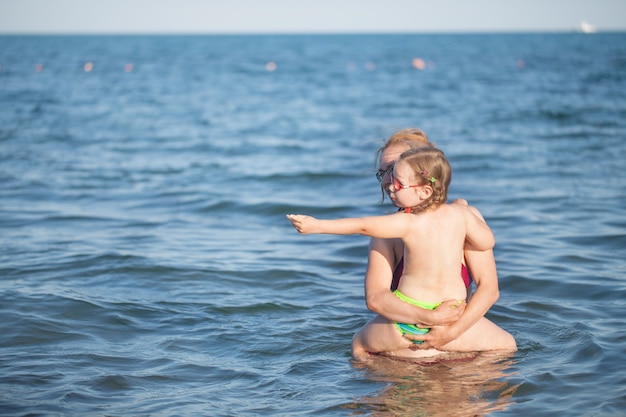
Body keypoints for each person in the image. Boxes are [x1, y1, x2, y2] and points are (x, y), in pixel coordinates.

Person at [287, 145, 509, 359]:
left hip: (405, 323)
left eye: (398, 183)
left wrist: (317, 226)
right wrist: (468, 217)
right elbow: (486, 241)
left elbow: (362, 225)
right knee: (506, 345)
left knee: (359, 344)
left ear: (425, 191)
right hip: (452, 319)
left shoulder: (406, 223)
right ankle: (493, 395)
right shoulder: (462, 215)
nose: (390, 186)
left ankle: (372, 388)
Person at [351, 129, 516, 360]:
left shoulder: (462, 218)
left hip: (421, 342)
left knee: (358, 348)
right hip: (452, 342)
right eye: (383, 173)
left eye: (394, 169)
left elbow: (489, 288)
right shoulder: (387, 230)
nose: (388, 181)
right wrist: (435, 322)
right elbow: (375, 297)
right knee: (506, 349)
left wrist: (448, 333)